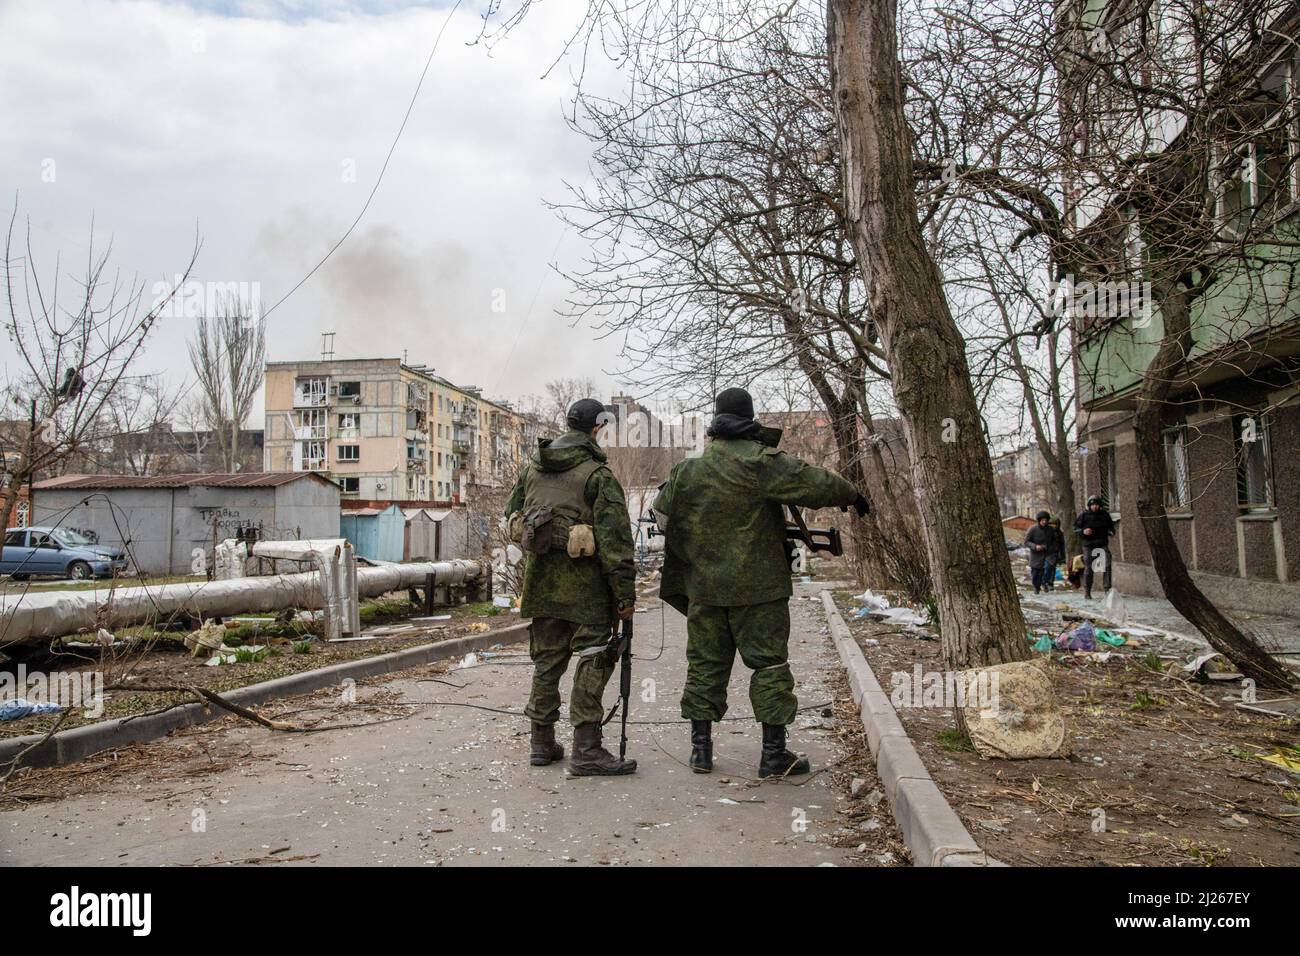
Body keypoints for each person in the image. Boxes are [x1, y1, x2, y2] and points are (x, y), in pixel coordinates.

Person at [654, 387, 867, 777]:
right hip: (760, 590)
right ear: (748, 419)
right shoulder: (762, 461)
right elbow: (815, 482)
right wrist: (852, 494)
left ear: (717, 422)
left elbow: (663, 514)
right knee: (769, 666)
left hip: (704, 589)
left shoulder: (689, 469)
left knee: (704, 666)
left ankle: (700, 751)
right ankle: (773, 756)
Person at [504, 398, 637, 776]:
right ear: (597, 429)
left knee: (547, 661)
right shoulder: (598, 476)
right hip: (586, 590)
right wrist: (625, 596)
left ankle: (541, 743)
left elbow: (512, 515)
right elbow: (616, 545)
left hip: (540, 583)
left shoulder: (533, 469)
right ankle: (586, 749)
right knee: (594, 657)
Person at [1074, 494, 1116, 599]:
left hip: (1102, 544)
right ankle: (1087, 591)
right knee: (1089, 568)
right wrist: (1083, 531)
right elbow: (1075, 528)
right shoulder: (1084, 515)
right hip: (1089, 545)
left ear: (1100, 505)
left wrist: (1110, 532)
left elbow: (1111, 528)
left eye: (1097, 505)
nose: (1095, 507)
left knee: (1107, 565)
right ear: (1089, 506)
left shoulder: (1105, 515)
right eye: (1093, 505)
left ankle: (1107, 590)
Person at [1023, 511, 1054, 594]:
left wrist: (1048, 547)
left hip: (1047, 554)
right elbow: (1026, 542)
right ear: (1039, 520)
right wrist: (1035, 546)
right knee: (1035, 574)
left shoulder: (1051, 530)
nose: (1044, 522)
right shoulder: (1033, 529)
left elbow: (1054, 542)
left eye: (1046, 520)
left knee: (1047, 570)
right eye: (1042, 520)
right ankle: (1036, 587)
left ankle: (1044, 584)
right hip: (1035, 555)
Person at [1045, 516, 1067, 590]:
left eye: (1055, 524)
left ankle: (1050, 583)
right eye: (1051, 524)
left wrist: (1063, 557)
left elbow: (1062, 545)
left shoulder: (1060, 533)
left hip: (1054, 553)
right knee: (1047, 568)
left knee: (1052, 569)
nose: (1053, 526)